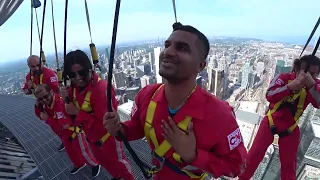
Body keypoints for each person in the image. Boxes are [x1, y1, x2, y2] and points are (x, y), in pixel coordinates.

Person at [104, 23, 247, 180]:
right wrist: (119, 130)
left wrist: (193, 156)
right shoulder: (146, 95)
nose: (168, 52)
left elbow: (237, 167)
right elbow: (138, 127)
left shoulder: (220, 115)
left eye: (182, 48)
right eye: (167, 45)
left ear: (200, 66)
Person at [238, 55, 320, 180]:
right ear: (297, 69)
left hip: (290, 128)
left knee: (288, 168)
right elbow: (270, 95)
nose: (309, 77)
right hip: (271, 121)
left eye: (314, 74)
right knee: (253, 158)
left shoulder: (314, 86)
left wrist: (311, 85)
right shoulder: (284, 78)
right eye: (307, 73)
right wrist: (290, 87)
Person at [60, 50, 134, 180]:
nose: (78, 78)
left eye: (81, 72)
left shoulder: (100, 90)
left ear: (90, 69)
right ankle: (117, 176)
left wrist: (77, 112)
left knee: (120, 164)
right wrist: (65, 97)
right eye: (72, 74)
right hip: (91, 137)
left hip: (108, 138)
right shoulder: (74, 88)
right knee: (105, 163)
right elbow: (69, 113)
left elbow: (106, 125)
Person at [34, 84, 101, 177]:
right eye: (40, 99)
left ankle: (94, 164)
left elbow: (63, 125)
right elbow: (40, 115)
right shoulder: (45, 106)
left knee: (83, 151)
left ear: (51, 92)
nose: (44, 100)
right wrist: (37, 106)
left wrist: (48, 119)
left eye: (45, 96)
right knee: (71, 152)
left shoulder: (60, 103)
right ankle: (79, 164)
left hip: (74, 132)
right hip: (64, 135)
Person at [23, 55, 64, 152]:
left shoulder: (49, 74)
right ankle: (64, 139)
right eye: (33, 66)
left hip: (55, 103)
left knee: (61, 123)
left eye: (38, 65)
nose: (36, 68)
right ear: (29, 66)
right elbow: (25, 91)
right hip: (44, 104)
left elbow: (57, 90)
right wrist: (28, 88)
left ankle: (70, 139)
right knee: (53, 125)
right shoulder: (29, 77)